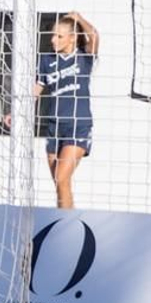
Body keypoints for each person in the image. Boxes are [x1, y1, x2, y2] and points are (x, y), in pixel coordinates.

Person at [31, 11, 99, 209]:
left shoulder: (84, 57)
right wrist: (15, 111)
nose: (53, 40)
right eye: (53, 35)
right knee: (60, 183)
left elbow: (94, 37)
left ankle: (66, 223)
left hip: (78, 126)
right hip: (54, 126)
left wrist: (80, 19)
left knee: (61, 178)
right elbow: (36, 90)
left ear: (72, 38)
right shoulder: (47, 60)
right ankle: (66, 221)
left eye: (59, 36)